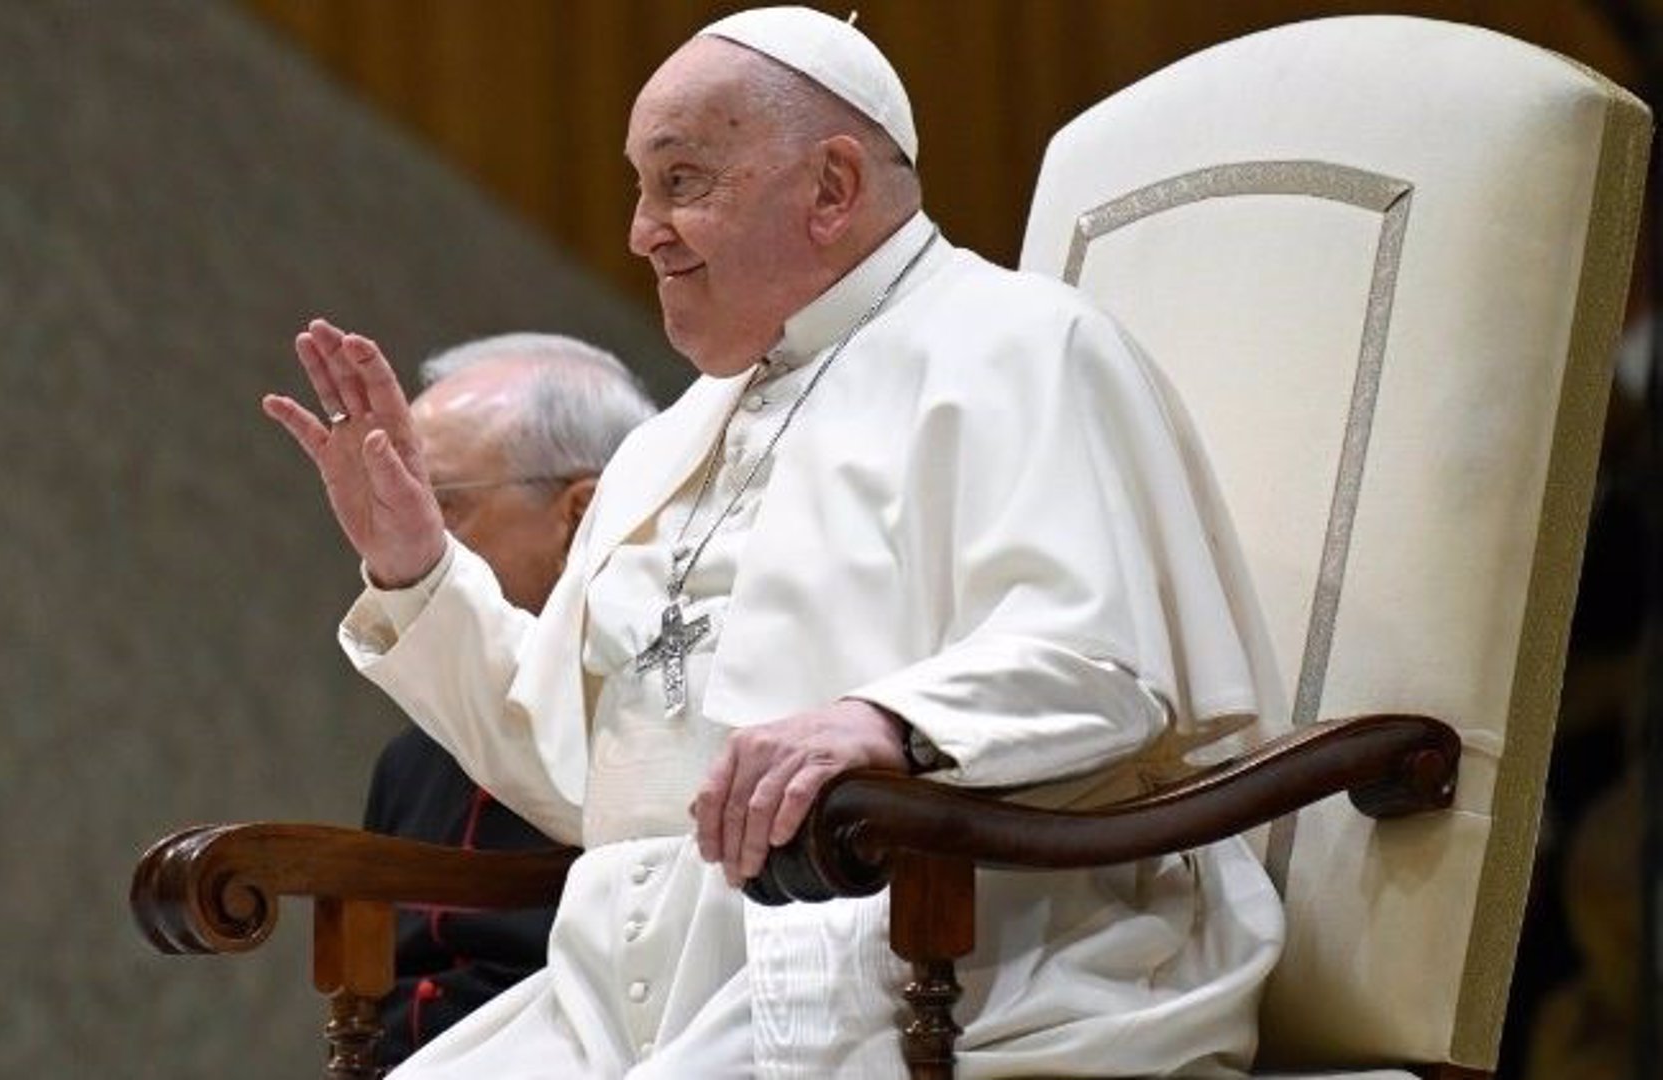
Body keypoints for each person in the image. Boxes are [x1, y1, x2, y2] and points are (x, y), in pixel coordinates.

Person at [262, 6, 1286, 1076]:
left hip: (934, 963)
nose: (640, 229)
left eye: (682, 180)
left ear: (832, 189)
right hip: (623, 997)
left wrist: (885, 722)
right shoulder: (669, 443)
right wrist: (419, 570)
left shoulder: (1024, 350)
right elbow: (571, 771)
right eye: (639, 186)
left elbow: (1108, 670)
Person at [354, 334, 658, 1067]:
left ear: (579, 514)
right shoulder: (410, 759)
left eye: (439, 503)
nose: (401, 533)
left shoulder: (654, 722)